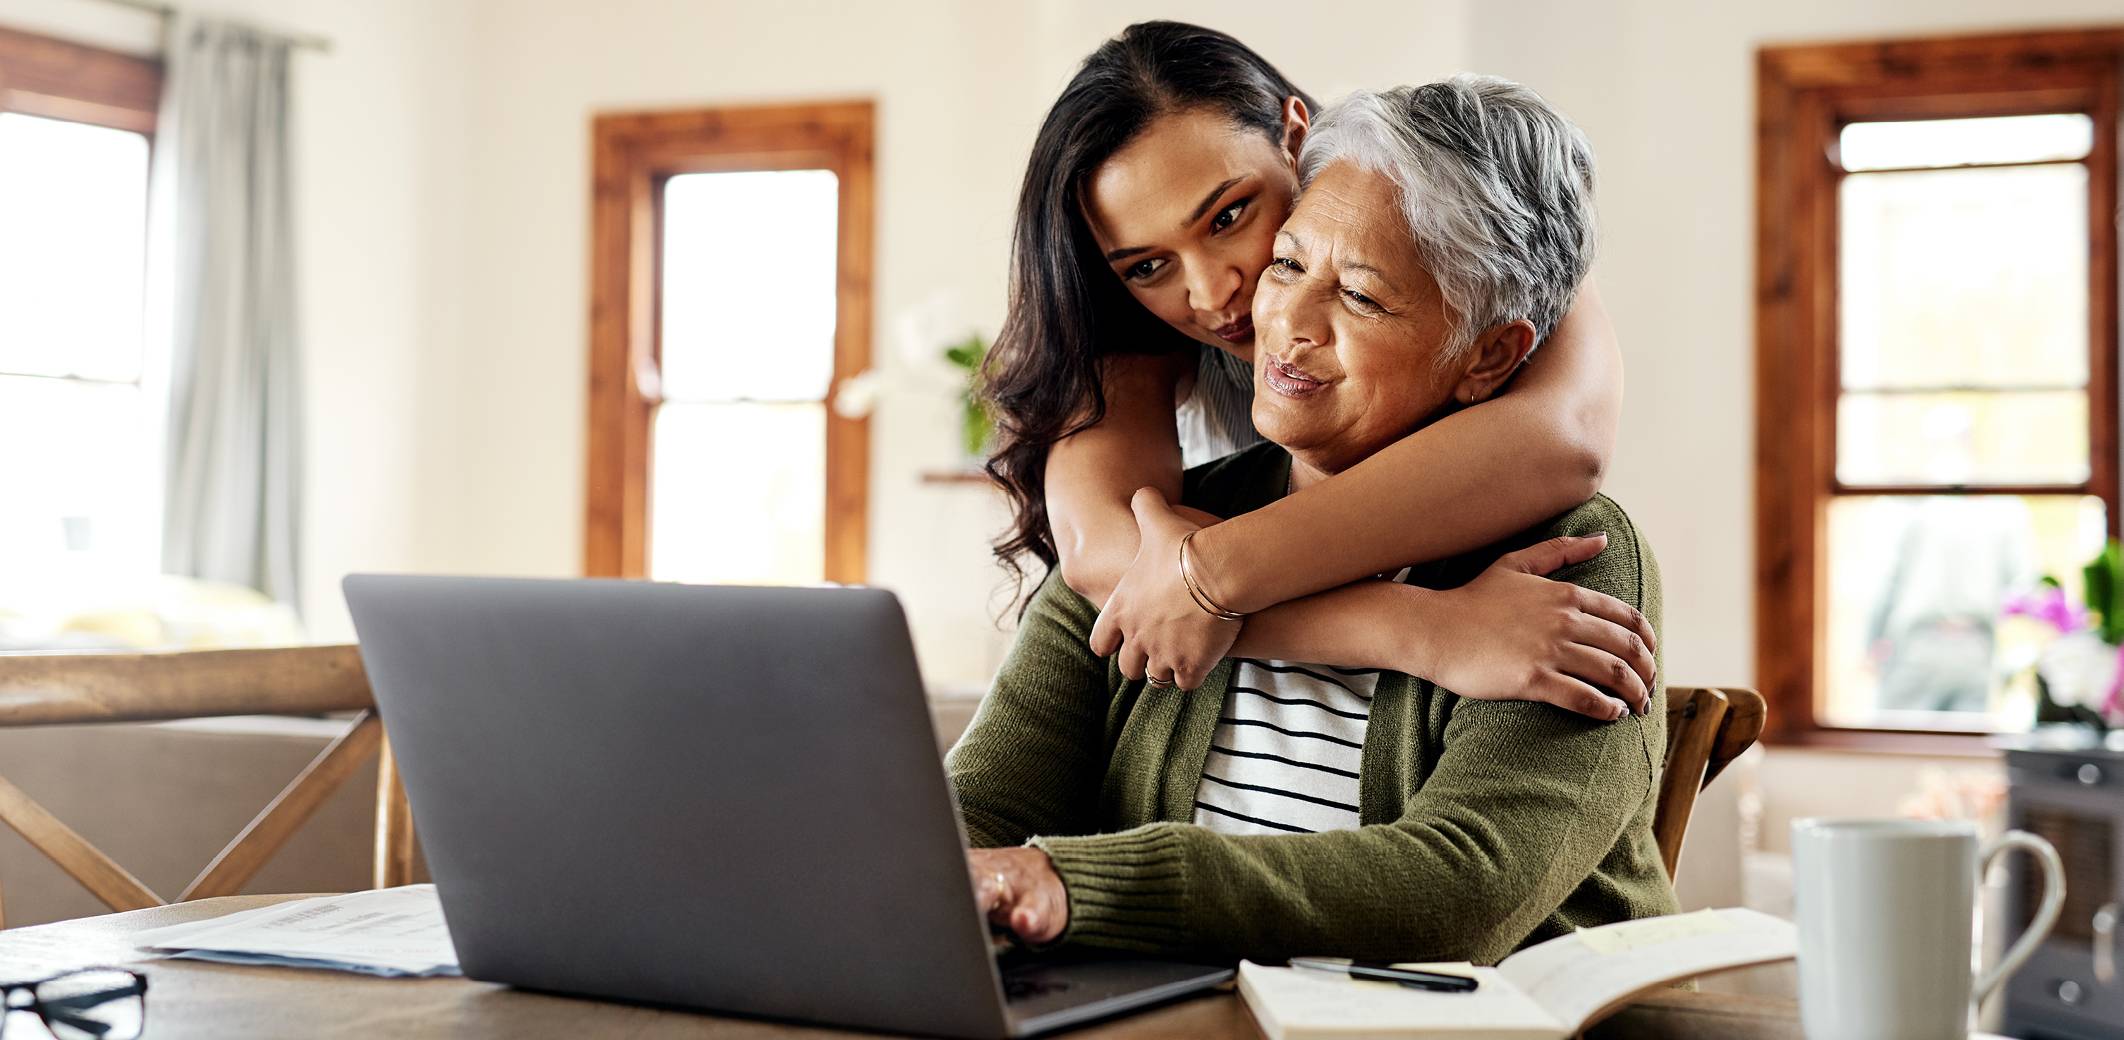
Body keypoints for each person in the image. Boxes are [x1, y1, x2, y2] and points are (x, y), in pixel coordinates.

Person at [949, 76, 1678, 964]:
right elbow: (975, 811)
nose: (1279, 321)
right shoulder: (1162, 534)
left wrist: (1078, 884)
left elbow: (1459, 892)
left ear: (1489, 356)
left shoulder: (1578, 556)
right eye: (1288, 265)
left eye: (1363, 298)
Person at [981, 22, 1655, 717]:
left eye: (1229, 216)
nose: (1214, 294)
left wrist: (1211, 575)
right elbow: (1107, 557)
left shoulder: (1455, 204)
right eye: (1150, 266)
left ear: (1294, 137)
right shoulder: (1128, 332)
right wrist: (1419, 629)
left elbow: (1561, 440)